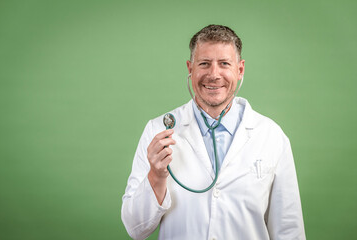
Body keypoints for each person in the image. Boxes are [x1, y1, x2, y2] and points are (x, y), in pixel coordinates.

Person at [121, 24, 305, 240]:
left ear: (240, 69)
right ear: (190, 69)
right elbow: (136, 229)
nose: (214, 74)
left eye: (224, 64)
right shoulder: (158, 131)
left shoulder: (271, 136)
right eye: (204, 64)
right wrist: (156, 175)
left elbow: (289, 230)